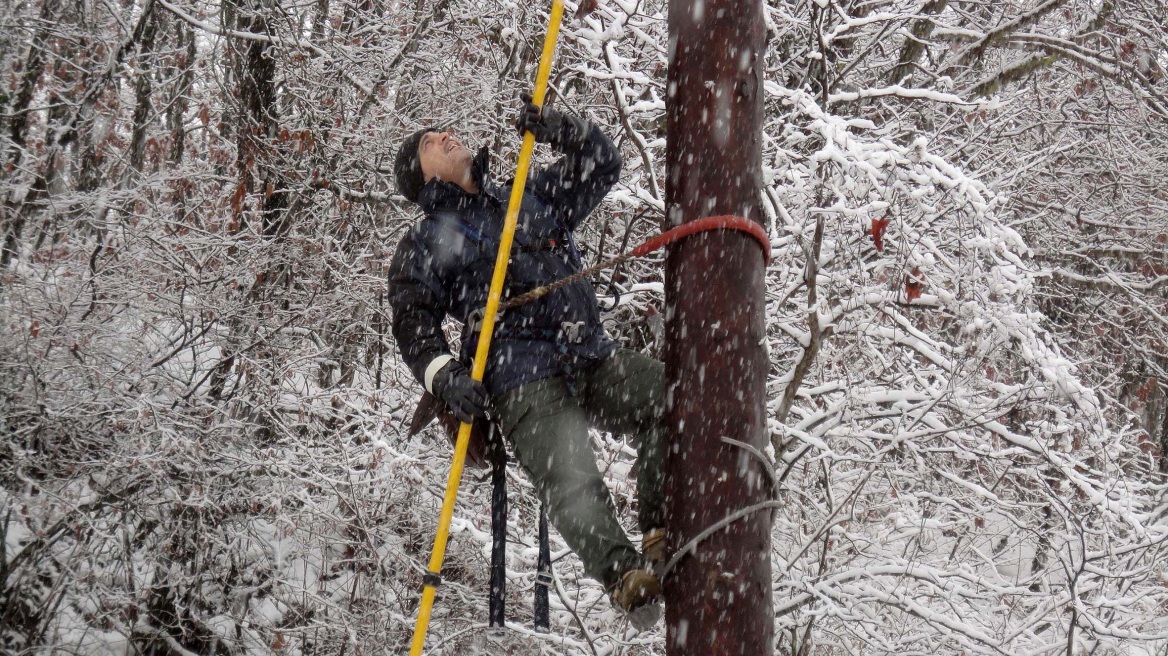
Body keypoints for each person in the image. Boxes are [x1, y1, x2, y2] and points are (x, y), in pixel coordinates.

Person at [387, 96, 666, 623]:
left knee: (673, 396)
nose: (445, 136)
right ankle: (627, 578)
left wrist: (566, 129)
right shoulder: (425, 240)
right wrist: (444, 377)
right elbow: (413, 323)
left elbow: (602, 165)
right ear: (422, 180)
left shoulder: (528, 196)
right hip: (521, 378)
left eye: (444, 131)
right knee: (570, 475)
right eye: (429, 143)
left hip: (590, 355)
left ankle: (660, 531)